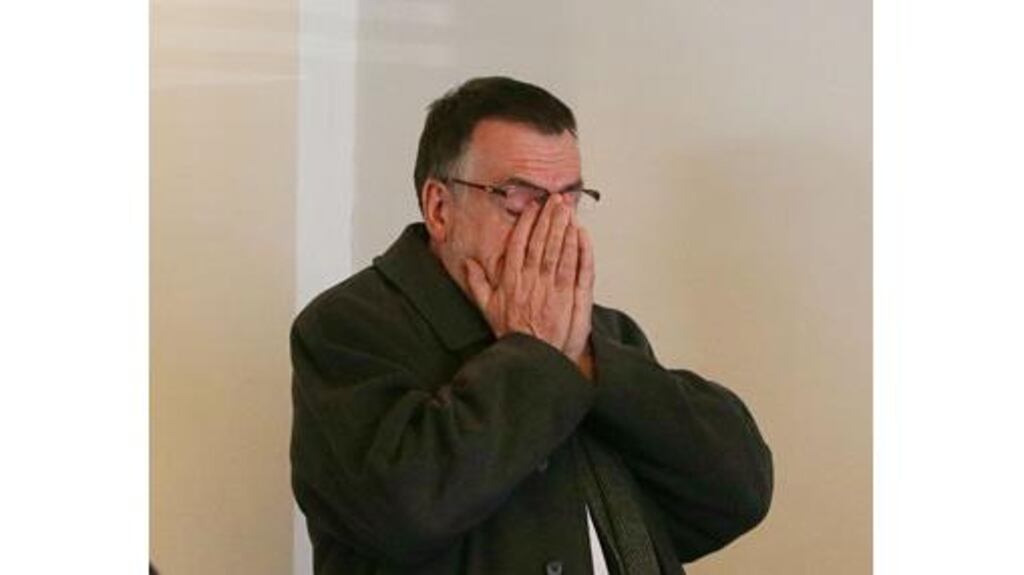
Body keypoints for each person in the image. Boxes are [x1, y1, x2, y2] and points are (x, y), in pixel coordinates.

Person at [290, 76, 773, 575]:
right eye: (521, 199)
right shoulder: (347, 327)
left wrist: (585, 362)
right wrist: (536, 355)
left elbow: (737, 494)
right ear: (439, 208)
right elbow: (402, 513)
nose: (556, 227)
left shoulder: (601, 334)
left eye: (570, 200)